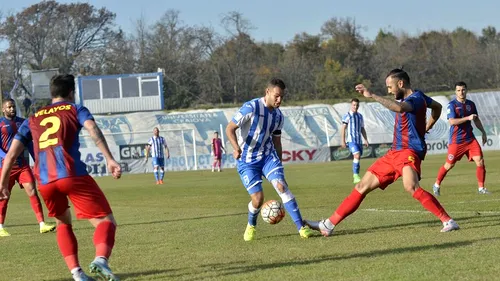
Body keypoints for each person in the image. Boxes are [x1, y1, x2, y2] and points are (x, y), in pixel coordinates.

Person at [305, 69, 459, 237]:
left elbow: (400, 108)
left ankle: (448, 221)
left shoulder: (414, 99)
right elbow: (437, 107)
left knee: (411, 186)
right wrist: (427, 126)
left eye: (390, 86)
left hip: (408, 151)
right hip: (394, 153)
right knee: (361, 186)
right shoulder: (420, 96)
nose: (389, 90)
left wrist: (372, 96)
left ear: (401, 84)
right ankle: (328, 224)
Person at [0, 74, 121, 281]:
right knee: (106, 221)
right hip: (72, 175)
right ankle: (101, 259)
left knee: (64, 223)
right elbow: (92, 129)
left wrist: (2, 184)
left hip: (45, 182)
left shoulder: (33, 117)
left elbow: (11, 154)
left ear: (52, 93)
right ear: (71, 93)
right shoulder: (75, 109)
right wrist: (109, 158)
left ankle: (77, 274)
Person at [226, 78, 313, 241]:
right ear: (267, 92)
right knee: (258, 199)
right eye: (276, 96)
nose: (279, 100)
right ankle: (251, 225)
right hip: (247, 161)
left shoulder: (279, 117)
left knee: (281, 186)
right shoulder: (250, 108)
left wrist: (278, 163)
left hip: (267, 157)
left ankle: (301, 228)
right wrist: (236, 147)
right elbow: (230, 129)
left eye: (282, 97)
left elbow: (277, 142)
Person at [0, 98, 56, 237]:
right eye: (9, 107)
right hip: (5, 167)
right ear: (3, 109)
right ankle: (0, 227)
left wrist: (37, 160)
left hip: (22, 165)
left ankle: (42, 224)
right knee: (4, 196)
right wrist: (5, 158)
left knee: (32, 191)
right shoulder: (0, 124)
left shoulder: (23, 122)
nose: (12, 109)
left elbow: (29, 143)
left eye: (13, 106)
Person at [432, 81, 489, 195]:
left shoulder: (471, 104)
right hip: (457, 141)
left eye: (463, 90)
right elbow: (452, 122)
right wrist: (468, 118)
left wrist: (483, 132)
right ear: (455, 92)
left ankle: (481, 188)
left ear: (466, 90)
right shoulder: (452, 105)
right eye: (458, 90)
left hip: (470, 139)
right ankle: (436, 184)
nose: (461, 92)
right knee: (449, 165)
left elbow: (476, 119)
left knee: (480, 161)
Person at [341, 98, 369, 184]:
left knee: (358, 157)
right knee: (356, 155)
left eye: (357, 105)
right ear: (351, 105)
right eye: (354, 105)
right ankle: (356, 176)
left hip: (359, 141)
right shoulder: (347, 115)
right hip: (351, 140)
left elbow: (362, 128)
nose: (355, 107)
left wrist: (366, 139)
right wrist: (342, 141)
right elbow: (343, 128)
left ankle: (356, 175)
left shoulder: (360, 116)